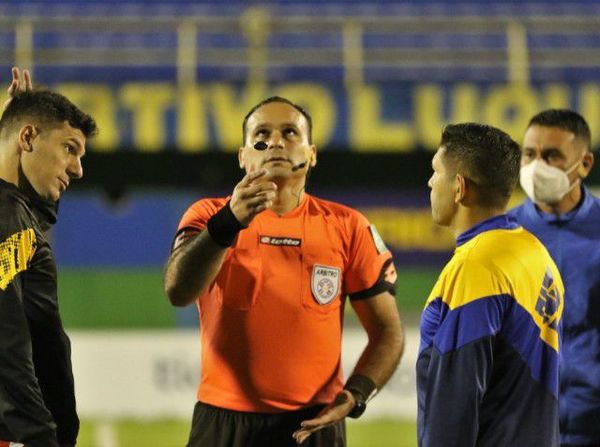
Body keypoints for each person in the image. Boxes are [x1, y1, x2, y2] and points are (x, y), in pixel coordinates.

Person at [164, 96, 404, 446]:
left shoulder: (349, 227)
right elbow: (178, 291)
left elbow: (388, 331)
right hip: (223, 424)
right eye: (262, 134)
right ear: (243, 156)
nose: (276, 141)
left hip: (314, 423)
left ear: (312, 153)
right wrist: (228, 223)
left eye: (290, 132)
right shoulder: (207, 215)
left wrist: (356, 395)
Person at [418, 123, 564, 446]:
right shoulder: (537, 254)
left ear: (459, 187)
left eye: (436, 172)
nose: (430, 182)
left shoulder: (475, 268)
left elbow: (453, 407)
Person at [0, 67, 97, 447]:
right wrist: (40, 436)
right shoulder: (10, 222)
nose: (78, 169)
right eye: (69, 148)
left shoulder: (17, 216)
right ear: (28, 138)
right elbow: (6, 338)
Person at [508, 109, 600, 447]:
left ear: (585, 164)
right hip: (524, 424)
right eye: (529, 154)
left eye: (552, 156)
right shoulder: (502, 234)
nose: (536, 167)